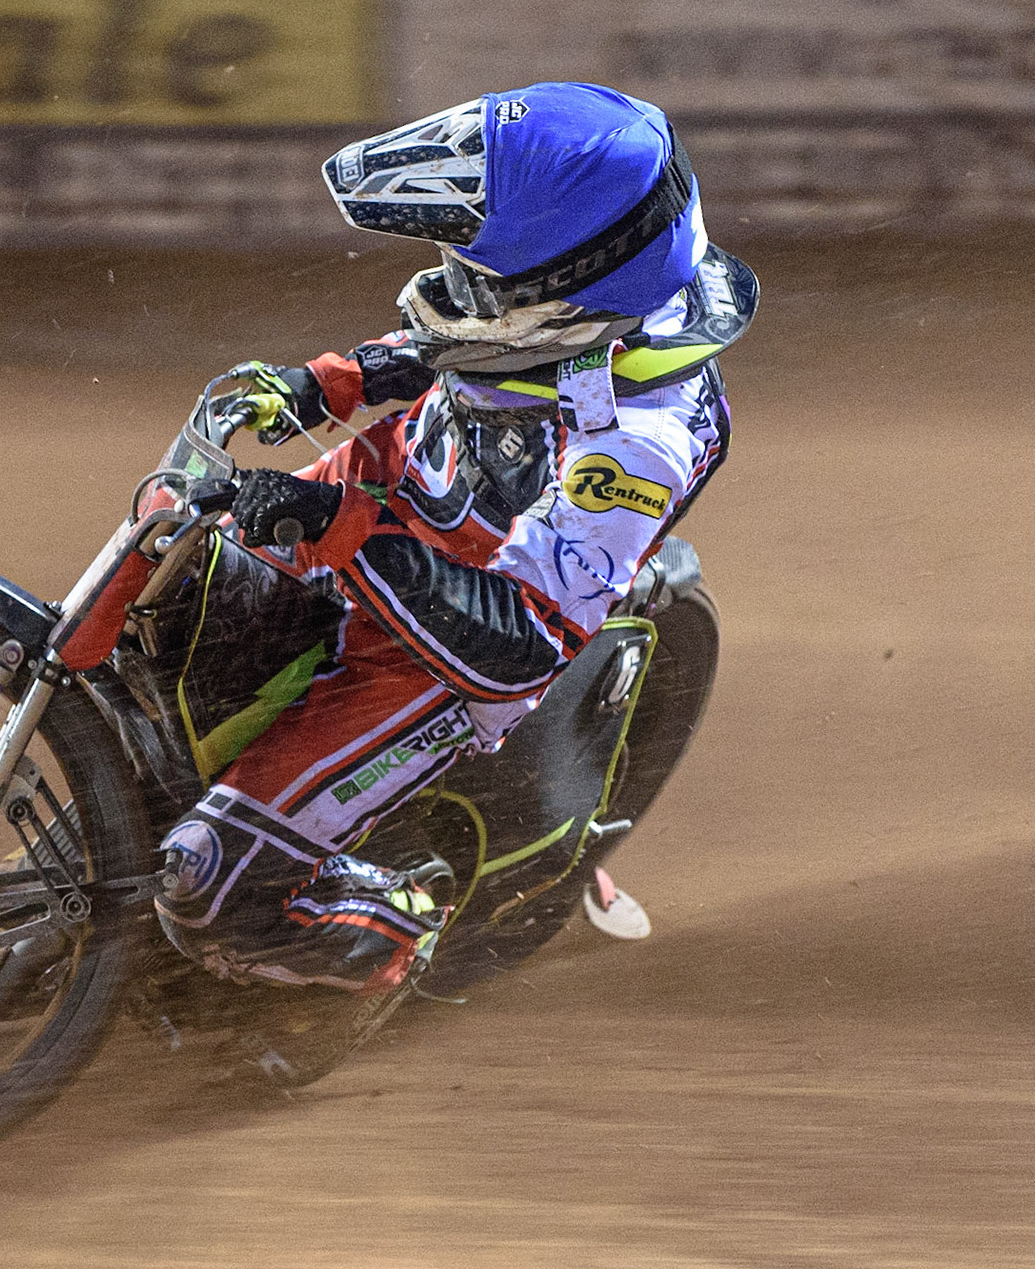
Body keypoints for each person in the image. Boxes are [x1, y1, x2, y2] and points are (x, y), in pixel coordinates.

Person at [153, 82, 758, 994]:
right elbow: (458, 346)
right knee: (166, 601)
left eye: (482, 267)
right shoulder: (577, 301)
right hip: (393, 494)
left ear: (570, 287)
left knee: (204, 886)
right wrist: (326, 386)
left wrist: (340, 530)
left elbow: (515, 648)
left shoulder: (638, 443)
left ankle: (395, 925)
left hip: (440, 645)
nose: (456, 279)